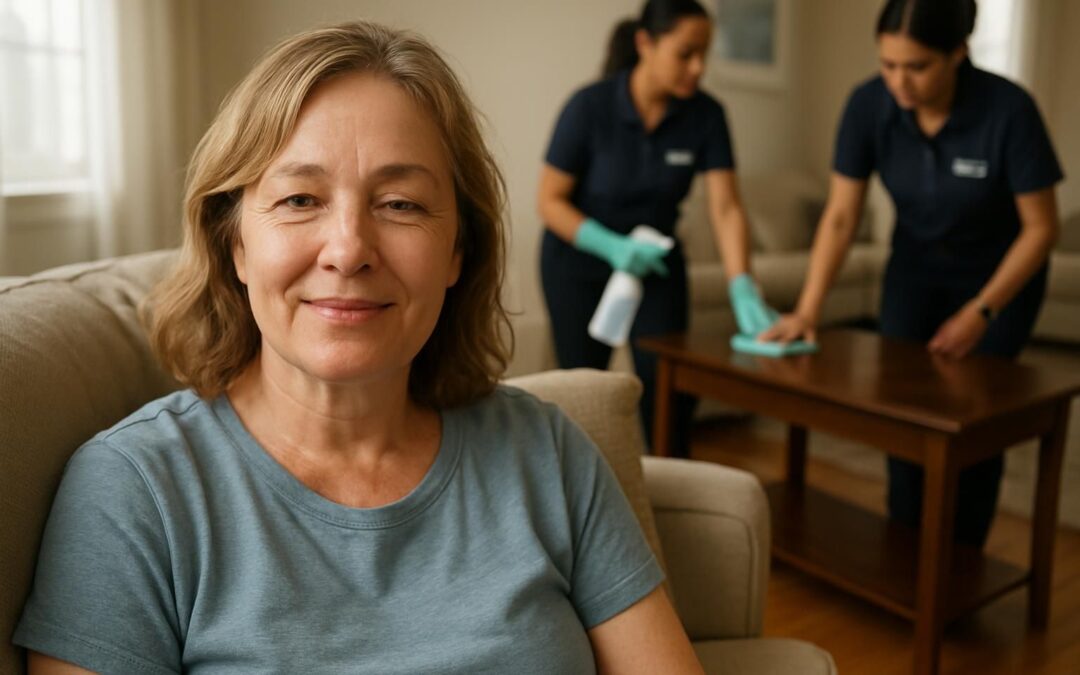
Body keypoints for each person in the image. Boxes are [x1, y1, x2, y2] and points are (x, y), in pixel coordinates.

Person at [14, 21, 703, 674]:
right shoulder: (134, 492)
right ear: (235, 244)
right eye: (300, 199)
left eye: (401, 203)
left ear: (459, 249)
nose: (348, 249)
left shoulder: (548, 453)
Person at [761, 0, 1063, 548]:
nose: (900, 81)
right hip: (914, 269)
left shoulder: (1008, 110)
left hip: (999, 279)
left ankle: (961, 557)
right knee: (899, 412)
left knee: (972, 420)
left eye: (917, 67)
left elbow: (1041, 229)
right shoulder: (868, 105)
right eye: (888, 64)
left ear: (958, 53)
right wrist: (808, 309)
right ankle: (905, 545)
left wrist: (981, 311)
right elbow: (841, 215)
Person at [538, 0, 778, 458]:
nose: (698, 67)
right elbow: (549, 200)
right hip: (578, 261)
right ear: (645, 43)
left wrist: (742, 285)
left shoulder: (706, 115)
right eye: (686, 53)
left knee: (668, 390)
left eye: (705, 54)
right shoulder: (589, 106)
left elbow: (725, 208)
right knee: (585, 393)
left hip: (656, 267)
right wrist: (608, 246)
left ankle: (668, 497)